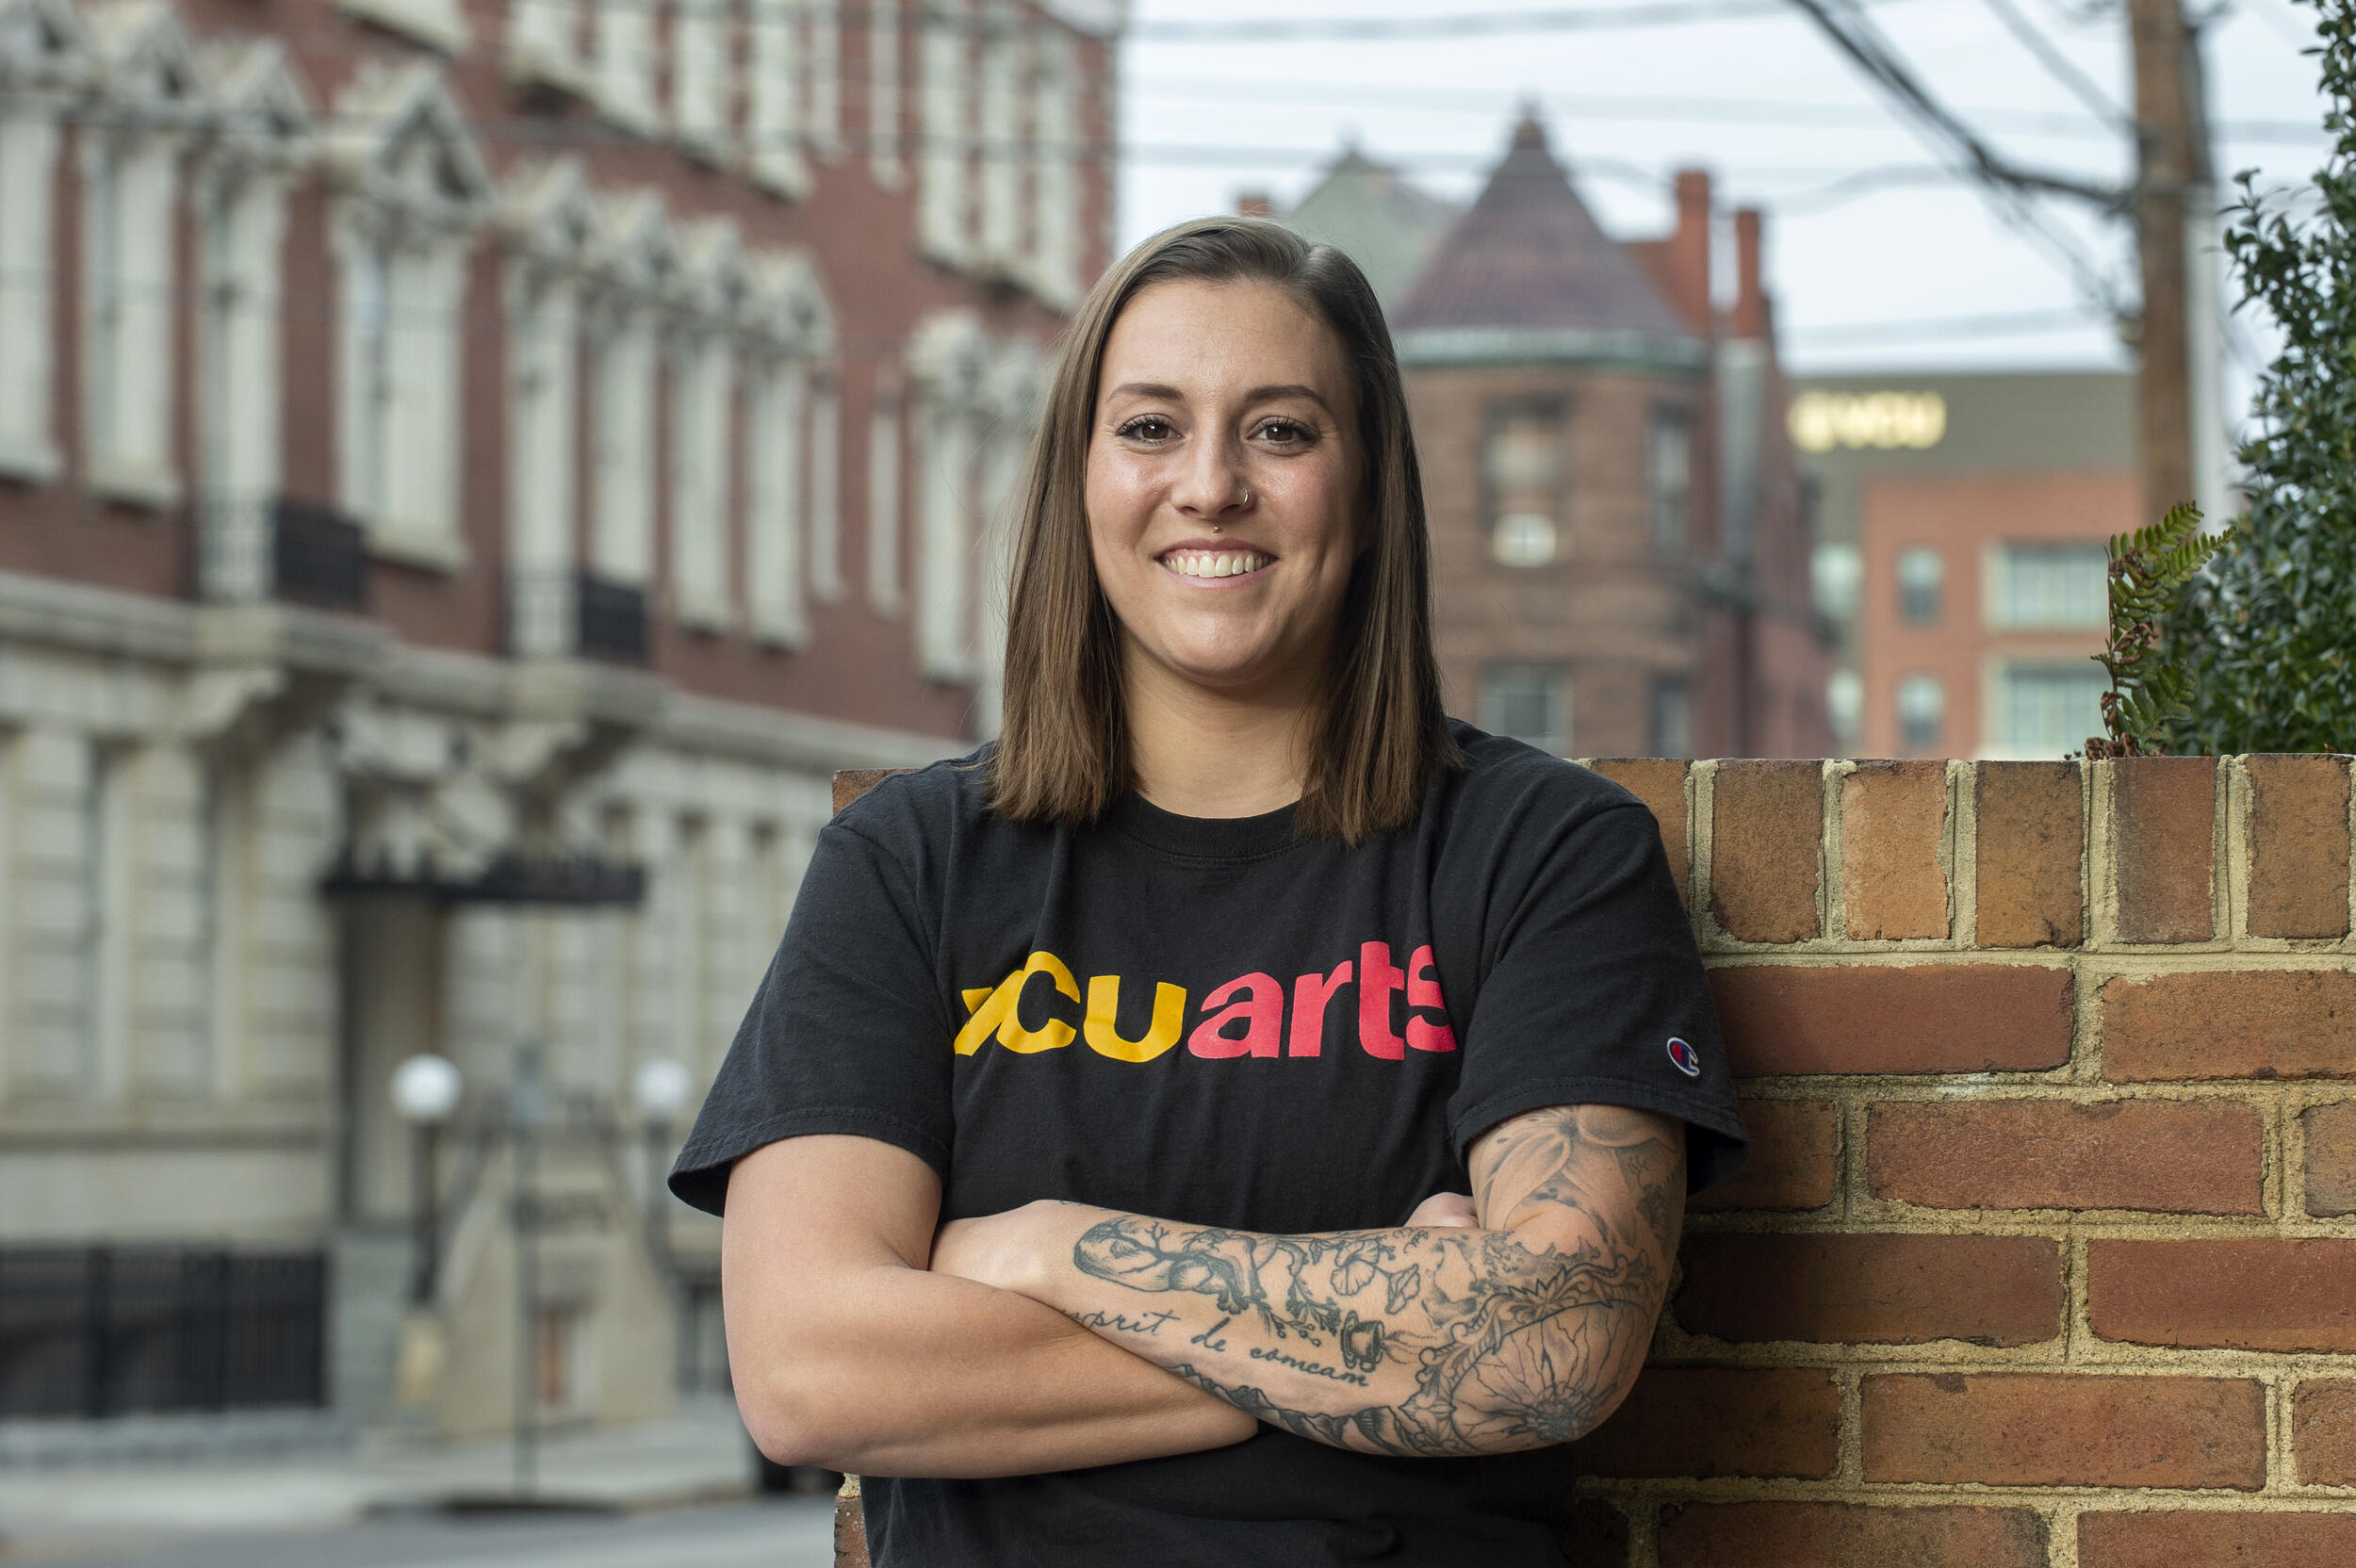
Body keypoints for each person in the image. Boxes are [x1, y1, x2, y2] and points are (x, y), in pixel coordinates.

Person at [668, 217, 1748, 1566]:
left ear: (1367, 486)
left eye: (1282, 432)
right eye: (1150, 429)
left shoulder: (1543, 854)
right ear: (1082, 478)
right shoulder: (915, 864)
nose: (1212, 485)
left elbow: (1552, 1345)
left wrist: (1054, 1251)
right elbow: (808, 1372)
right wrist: (1381, 1342)